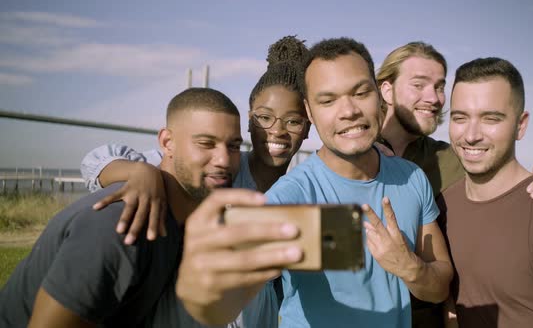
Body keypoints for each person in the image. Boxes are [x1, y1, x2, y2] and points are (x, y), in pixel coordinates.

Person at [0, 87, 303, 327]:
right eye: (206, 144)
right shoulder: (122, 225)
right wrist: (136, 170)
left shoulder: (188, 218)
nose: (224, 160)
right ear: (167, 142)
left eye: (233, 146)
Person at [375, 41, 533, 328]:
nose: (434, 97)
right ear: (386, 89)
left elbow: (504, 186)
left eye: (440, 86)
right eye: (419, 85)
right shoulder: (356, 151)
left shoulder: (452, 158)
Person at [258, 37, 452, 327]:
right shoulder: (290, 196)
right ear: (310, 112)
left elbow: (439, 289)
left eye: (361, 93)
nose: (348, 110)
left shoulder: (412, 178)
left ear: (379, 95)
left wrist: (411, 268)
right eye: (328, 100)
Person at [80, 35, 310, 245]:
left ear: (308, 126)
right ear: (250, 122)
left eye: (293, 121)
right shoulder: (223, 167)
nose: (278, 130)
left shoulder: (298, 191)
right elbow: (95, 161)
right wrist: (141, 172)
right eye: (265, 117)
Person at [440, 57, 533, 327]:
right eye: (460, 118)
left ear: (521, 125)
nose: (471, 135)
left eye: (491, 119)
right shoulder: (444, 206)